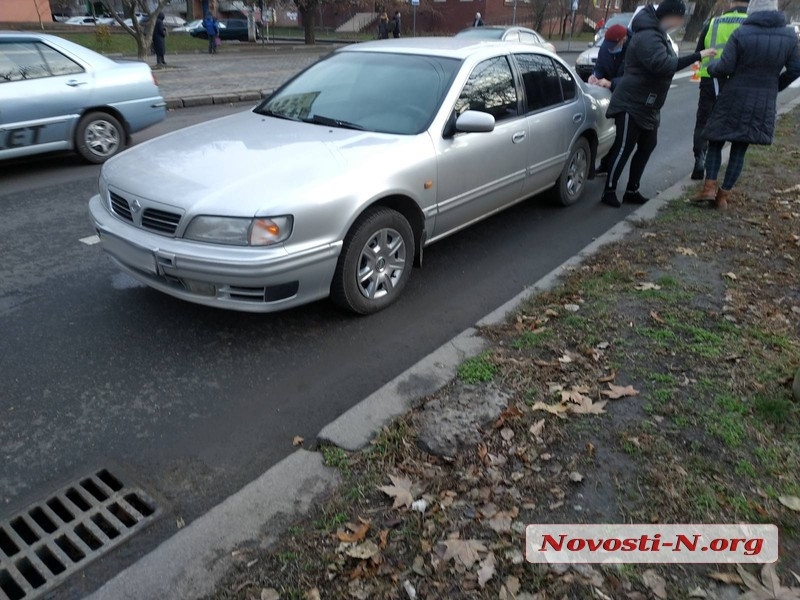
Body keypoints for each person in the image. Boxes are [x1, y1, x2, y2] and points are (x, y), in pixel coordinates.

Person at [601, 0, 717, 207]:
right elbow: (663, 65)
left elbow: (667, 60)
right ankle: (609, 190)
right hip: (632, 102)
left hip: (649, 105)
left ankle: (632, 189)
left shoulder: (659, 34)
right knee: (624, 148)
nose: (679, 23)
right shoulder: (647, 35)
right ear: (669, 15)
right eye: (678, 18)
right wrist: (698, 55)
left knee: (647, 145)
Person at [694, 0, 800, 208]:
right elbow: (796, 69)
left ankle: (708, 188)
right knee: (740, 147)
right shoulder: (789, 37)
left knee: (715, 140)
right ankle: (723, 196)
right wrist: (774, 86)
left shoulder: (742, 33)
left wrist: (712, 68)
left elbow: (724, 66)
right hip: (763, 101)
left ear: (753, 11)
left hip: (733, 95)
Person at [690, 0, 749, 180]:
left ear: (731, 2)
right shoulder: (751, 24)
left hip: (710, 78)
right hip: (738, 81)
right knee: (733, 122)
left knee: (704, 120)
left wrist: (702, 72)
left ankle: (700, 160)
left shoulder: (714, 22)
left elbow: (699, 52)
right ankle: (726, 168)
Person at [590, 24, 630, 175]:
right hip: (608, 97)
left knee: (619, 135)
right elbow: (600, 66)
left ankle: (611, 171)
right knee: (607, 130)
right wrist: (595, 76)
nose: (611, 48)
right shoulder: (606, 48)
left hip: (625, 98)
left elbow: (631, 78)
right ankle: (605, 165)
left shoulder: (632, 50)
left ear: (623, 40)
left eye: (614, 45)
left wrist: (611, 83)